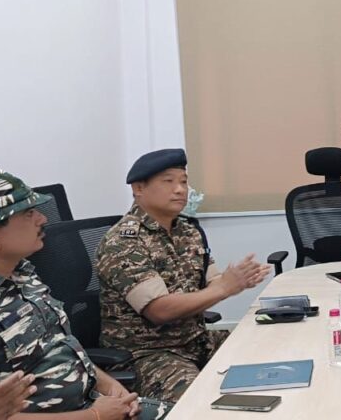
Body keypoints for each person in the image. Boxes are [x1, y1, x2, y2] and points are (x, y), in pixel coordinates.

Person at [0, 165, 168, 419]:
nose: (42, 219)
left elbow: (62, 347)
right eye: (29, 213)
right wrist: (95, 416)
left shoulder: (22, 273)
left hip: (93, 403)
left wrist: (110, 387)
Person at [96, 149, 271, 402]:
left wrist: (238, 280)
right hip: (148, 354)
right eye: (168, 181)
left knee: (268, 352)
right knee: (196, 402)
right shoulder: (124, 241)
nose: (180, 190)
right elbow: (159, 310)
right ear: (139, 188)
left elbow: (213, 282)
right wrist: (225, 288)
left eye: (184, 181)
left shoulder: (188, 230)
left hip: (196, 341)